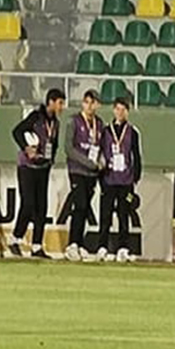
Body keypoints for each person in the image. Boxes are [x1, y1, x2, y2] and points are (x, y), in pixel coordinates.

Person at [9, 89, 65, 259]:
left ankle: (36, 246)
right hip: (27, 167)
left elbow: (54, 144)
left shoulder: (56, 122)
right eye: (60, 103)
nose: (62, 107)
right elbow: (17, 132)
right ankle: (15, 239)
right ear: (51, 102)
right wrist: (26, 149)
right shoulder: (35, 116)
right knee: (28, 204)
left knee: (42, 207)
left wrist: (50, 160)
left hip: (43, 168)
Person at [96, 97, 143, 263]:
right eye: (118, 109)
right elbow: (100, 153)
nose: (120, 112)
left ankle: (123, 248)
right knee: (105, 215)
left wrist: (135, 177)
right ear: (113, 110)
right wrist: (100, 177)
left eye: (124, 109)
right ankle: (102, 247)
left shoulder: (133, 131)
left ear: (127, 112)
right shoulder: (106, 131)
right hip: (109, 179)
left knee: (124, 215)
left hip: (126, 181)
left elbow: (136, 155)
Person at [64, 90, 106, 262]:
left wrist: (101, 162)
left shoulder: (99, 123)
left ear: (98, 105)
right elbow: (68, 148)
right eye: (86, 102)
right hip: (77, 170)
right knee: (79, 205)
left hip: (92, 173)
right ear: (83, 103)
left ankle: (79, 243)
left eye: (93, 102)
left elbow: (101, 146)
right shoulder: (73, 121)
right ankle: (72, 244)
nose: (89, 105)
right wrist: (88, 162)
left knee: (85, 208)